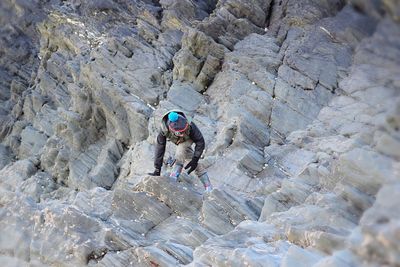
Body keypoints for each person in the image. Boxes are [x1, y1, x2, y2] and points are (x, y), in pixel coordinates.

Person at [148, 110, 213, 192]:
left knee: (181, 150)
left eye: (184, 131)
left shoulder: (190, 125)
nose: (182, 134)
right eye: (180, 133)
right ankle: (208, 187)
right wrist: (157, 169)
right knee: (191, 160)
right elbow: (160, 148)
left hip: (188, 139)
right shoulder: (164, 129)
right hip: (178, 141)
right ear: (171, 130)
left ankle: (173, 177)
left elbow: (200, 141)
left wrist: (195, 159)